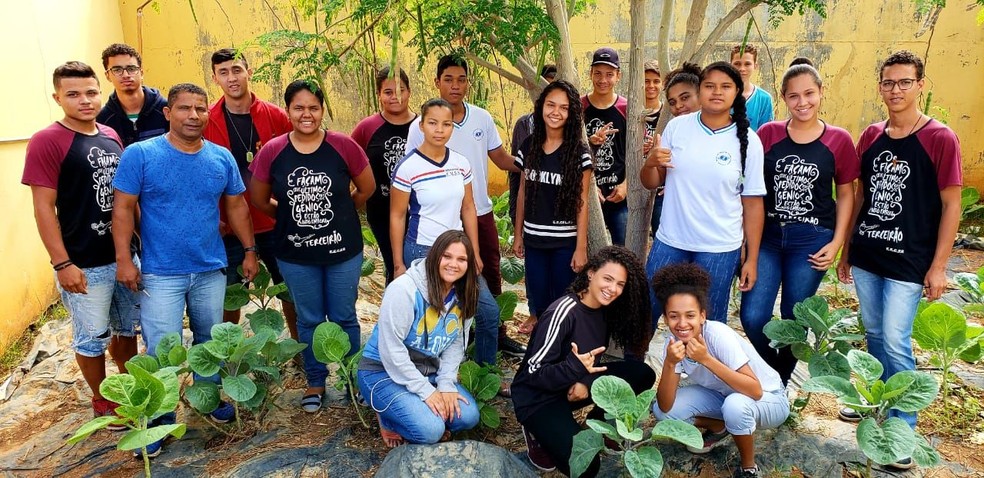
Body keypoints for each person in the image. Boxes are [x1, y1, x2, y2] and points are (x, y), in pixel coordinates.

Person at [113, 83, 258, 456]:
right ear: (168, 113)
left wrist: (249, 250)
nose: (193, 116)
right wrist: (125, 260)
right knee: (163, 347)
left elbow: (237, 206)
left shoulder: (221, 158)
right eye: (184, 109)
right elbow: (123, 209)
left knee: (209, 339)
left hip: (209, 268)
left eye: (200, 108)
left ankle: (207, 399)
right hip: (161, 273)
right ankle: (160, 420)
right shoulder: (140, 155)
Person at [836, 51, 961, 470]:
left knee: (894, 338)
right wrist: (847, 250)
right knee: (872, 333)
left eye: (904, 82)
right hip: (870, 253)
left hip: (910, 260)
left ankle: (902, 427)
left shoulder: (940, 138)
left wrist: (939, 266)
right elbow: (860, 196)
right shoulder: (871, 135)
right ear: (880, 87)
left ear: (920, 85)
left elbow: (951, 204)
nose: (896, 90)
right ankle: (876, 403)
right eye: (888, 82)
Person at [22, 61, 139, 427]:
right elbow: (43, 208)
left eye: (90, 92)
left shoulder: (110, 134)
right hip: (83, 262)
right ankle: (102, 399)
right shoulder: (47, 141)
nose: (84, 100)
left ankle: (131, 390)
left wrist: (133, 251)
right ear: (57, 97)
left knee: (125, 329)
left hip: (122, 255)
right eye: (73, 94)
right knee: (92, 337)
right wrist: (62, 264)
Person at [249, 80, 375, 413]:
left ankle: (351, 379)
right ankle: (316, 381)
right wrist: (288, 215)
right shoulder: (273, 151)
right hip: (295, 254)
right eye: (299, 108)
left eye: (314, 108)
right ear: (288, 110)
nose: (307, 114)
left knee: (345, 316)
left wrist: (344, 211)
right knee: (308, 319)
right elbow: (260, 200)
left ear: (322, 110)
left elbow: (366, 189)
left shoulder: (343, 146)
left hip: (342, 251)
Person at [738, 64, 859, 386]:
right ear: (783, 98)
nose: (802, 102)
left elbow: (847, 195)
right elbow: (751, 190)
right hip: (767, 237)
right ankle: (774, 378)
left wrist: (837, 243)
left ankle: (775, 387)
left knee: (795, 318)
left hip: (812, 239)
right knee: (752, 316)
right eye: (794, 96)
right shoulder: (769, 135)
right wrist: (746, 243)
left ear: (821, 93)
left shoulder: (839, 140)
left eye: (809, 94)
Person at [404, 54, 525, 358]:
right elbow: (411, 171)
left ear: (468, 83)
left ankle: (494, 335)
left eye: (461, 79)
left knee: (489, 274)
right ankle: (448, 344)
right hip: (438, 221)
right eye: (448, 79)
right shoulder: (422, 125)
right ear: (437, 83)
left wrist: (529, 165)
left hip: (478, 213)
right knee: (441, 285)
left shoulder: (482, 118)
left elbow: (499, 158)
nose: (455, 85)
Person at [512, 246, 655, 476]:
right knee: (587, 466)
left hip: (572, 384)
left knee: (642, 374)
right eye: (607, 279)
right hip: (538, 398)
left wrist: (586, 382)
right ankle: (536, 430)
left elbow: (592, 360)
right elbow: (532, 374)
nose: (613, 289)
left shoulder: (606, 309)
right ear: (590, 273)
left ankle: (597, 426)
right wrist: (574, 370)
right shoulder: (563, 311)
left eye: (620, 284)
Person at [641, 62, 766, 327]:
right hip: (671, 241)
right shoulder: (677, 128)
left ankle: (701, 369)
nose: (716, 92)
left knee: (710, 322)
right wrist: (650, 162)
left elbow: (753, 204)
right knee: (648, 307)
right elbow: (652, 182)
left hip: (719, 248)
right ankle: (632, 366)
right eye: (709, 86)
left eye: (725, 87)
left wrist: (751, 258)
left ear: (737, 92)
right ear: (700, 90)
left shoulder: (749, 142)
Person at [652, 263, 788, 478]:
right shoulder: (673, 344)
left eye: (690, 315)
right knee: (662, 412)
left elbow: (755, 391)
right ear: (665, 318)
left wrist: (705, 359)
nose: (682, 323)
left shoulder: (717, 335)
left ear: (702, 316)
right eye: (674, 316)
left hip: (770, 399)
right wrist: (670, 363)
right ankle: (720, 426)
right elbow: (666, 405)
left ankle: (748, 468)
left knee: (736, 406)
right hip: (724, 396)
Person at [202, 48, 297, 336]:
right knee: (231, 294)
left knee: (289, 288)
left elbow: (294, 162)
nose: (232, 78)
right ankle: (229, 355)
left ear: (248, 72)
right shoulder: (208, 121)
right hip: (229, 224)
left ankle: (298, 348)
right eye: (223, 72)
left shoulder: (277, 117)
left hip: (273, 220)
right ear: (215, 78)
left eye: (236, 70)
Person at [358, 230, 481, 446]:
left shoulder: (465, 292)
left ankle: (411, 412)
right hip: (382, 371)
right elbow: (391, 350)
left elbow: (455, 342)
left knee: (468, 417)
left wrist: (445, 385)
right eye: (447, 256)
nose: (453, 264)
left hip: (428, 370)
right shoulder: (404, 290)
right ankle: (387, 418)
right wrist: (426, 392)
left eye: (462, 259)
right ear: (434, 256)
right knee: (430, 431)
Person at [512, 80, 592, 333]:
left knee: (562, 298)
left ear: (572, 114)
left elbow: (582, 202)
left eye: (564, 107)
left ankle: (560, 342)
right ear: (541, 107)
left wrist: (580, 248)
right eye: (550, 105)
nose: (556, 112)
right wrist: (518, 235)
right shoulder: (530, 145)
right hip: (534, 239)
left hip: (563, 242)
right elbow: (523, 191)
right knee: (536, 291)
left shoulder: (579, 153)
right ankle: (538, 328)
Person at [351, 66, 416, 284]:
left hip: (420, 213)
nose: (395, 96)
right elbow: (348, 164)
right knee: (396, 267)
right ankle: (395, 315)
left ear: (409, 91)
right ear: (379, 95)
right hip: (382, 214)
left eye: (401, 90)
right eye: (388, 92)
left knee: (419, 268)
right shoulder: (366, 128)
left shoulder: (423, 126)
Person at [509, 64, 558, 335]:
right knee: (534, 272)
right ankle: (535, 313)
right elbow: (519, 176)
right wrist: (516, 220)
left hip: (559, 226)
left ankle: (553, 320)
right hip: (532, 219)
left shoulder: (571, 135)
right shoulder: (524, 127)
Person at [584, 47, 629, 246]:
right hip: (588, 196)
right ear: (590, 74)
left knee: (625, 252)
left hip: (619, 196)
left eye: (609, 74)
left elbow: (636, 154)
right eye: (598, 73)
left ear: (618, 76)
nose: (603, 80)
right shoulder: (579, 106)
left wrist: (626, 185)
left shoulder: (626, 108)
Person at [509, 64, 558, 224]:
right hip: (531, 209)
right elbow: (517, 172)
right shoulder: (524, 125)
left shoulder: (572, 129)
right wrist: (515, 211)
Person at [97, 43, 168, 146]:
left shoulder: (166, 110)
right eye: (117, 70)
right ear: (107, 76)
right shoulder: (102, 119)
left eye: (131, 69)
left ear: (141, 73)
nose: (126, 75)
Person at [642, 59, 665, 238]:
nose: (651, 85)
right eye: (646, 81)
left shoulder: (669, 114)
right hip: (632, 187)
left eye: (656, 81)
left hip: (660, 189)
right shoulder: (629, 112)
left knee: (659, 236)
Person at [730, 44, 774, 131]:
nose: (742, 68)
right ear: (730, 65)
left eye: (747, 64)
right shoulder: (721, 95)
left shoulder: (764, 99)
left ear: (755, 66)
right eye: (737, 64)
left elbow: (765, 133)